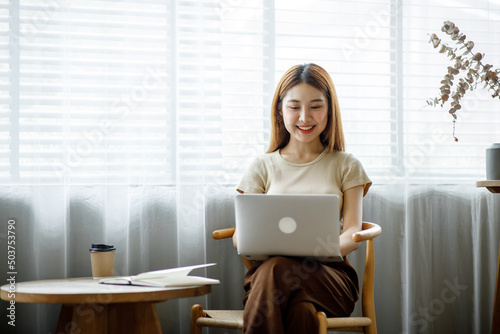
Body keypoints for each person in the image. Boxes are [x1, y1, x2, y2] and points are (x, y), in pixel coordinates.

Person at [233, 63, 372, 334]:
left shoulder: (346, 164)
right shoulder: (261, 166)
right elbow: (241, 237)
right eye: (294, 106)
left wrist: (314, 253)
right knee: (300, 311)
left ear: (330, 110)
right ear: (280, 110)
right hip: (270, 281)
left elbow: (353, 232)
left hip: (329, 278)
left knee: (275, 270)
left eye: (316, 106)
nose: (305, 117)